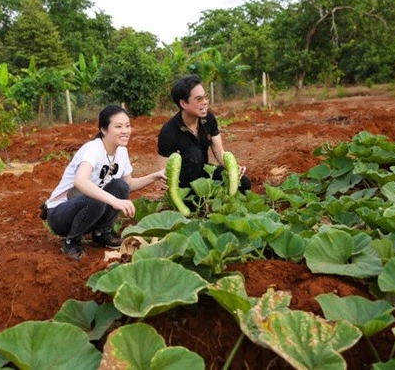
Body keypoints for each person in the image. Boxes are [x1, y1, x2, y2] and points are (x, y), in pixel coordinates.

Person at [42, 105, 165, 260]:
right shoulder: (93, 149)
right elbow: (80, 181)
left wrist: (155, 176)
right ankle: (71, 241)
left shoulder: (121, 151)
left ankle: (102, 232)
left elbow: (128, 185)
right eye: (118, 126)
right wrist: (115, 201)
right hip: (60, 215)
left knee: (120, 186)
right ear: (104, 130)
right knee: (96, 197)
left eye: (127, 126)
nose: (125, 131)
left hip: (87, 210)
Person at [157, 74, 251, 200]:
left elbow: (219, 151)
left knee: (244, 183)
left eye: (205, 97)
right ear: (183, 103)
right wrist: (164, 180)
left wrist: (232, 167)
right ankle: (196, 202)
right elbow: (164, 171)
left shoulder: (208, 119)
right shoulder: (168, 132)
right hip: (184, 184)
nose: (205, 102)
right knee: (193, 154)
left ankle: (212, 200)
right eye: (199, 99)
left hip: (204, 172)